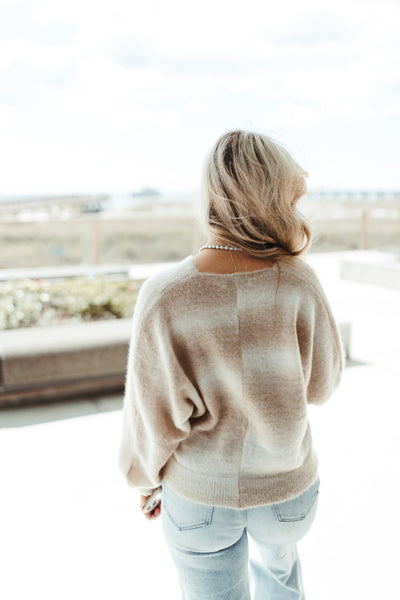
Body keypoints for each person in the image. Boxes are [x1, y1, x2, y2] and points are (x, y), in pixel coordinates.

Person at [118, 129, 344, 599]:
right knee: (282, 582)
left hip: (202, 498)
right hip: (288, 495)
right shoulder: (300, 282)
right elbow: (322, 386)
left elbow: (153, 414)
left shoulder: (165, 294)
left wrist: (143, 478)